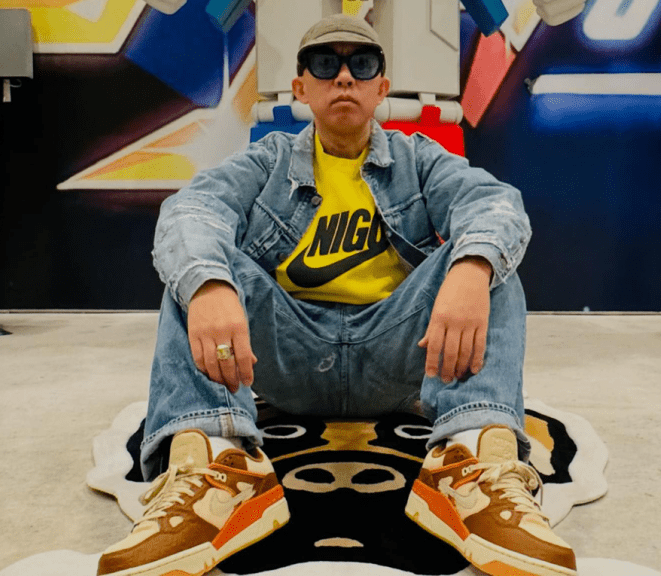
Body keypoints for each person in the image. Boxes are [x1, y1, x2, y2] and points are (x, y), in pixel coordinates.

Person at [96, 14, 576, 576]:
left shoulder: (419, 159)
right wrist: (210, 286)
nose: (344, 77)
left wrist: (470, 269)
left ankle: (473, 465)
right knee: (197, 269)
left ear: (381, 87)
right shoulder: (268, 161)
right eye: (325, 64)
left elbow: (494, 204)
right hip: (283, 358)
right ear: (301, 87)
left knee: (488, 261)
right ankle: (214, 471)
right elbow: (192, 211)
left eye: (361, 65)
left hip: (399, 356)